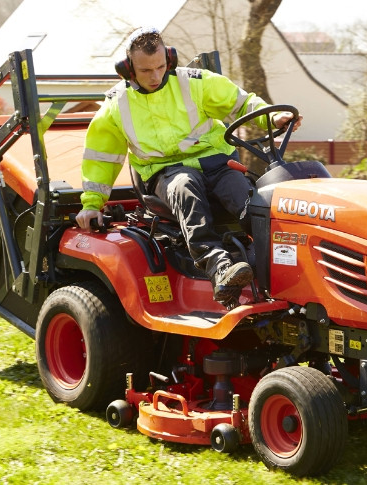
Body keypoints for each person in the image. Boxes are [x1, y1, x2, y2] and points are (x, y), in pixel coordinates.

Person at [74, 28, 295, 308]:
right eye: (145, 70)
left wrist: (274, 116)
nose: (155, 77)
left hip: (217, 163)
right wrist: (92, 203)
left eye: (160, 67)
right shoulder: (116, 105)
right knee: (185, 186)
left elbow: (242, 104)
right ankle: (219, 268)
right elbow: (102, 157)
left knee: (251, 200)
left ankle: (276, 268)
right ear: (127, 69)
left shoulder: (197, 83)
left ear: (170, 60)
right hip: (165, 173)